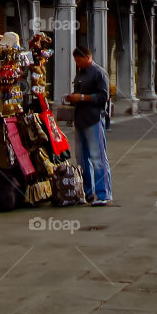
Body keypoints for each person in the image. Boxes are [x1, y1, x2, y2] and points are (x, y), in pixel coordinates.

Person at [65, 45, 113, 206]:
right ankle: (87, 192)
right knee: (82, 159)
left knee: (98, 157)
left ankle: (103, 194)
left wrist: (83, 97)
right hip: (80, 120)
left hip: (93, 119)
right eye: (75, 61)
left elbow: (103, 96)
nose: (77, 63)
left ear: (88, 57)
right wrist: (73, 98)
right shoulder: (80, 74)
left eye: (79, 60)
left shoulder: (98, 73)